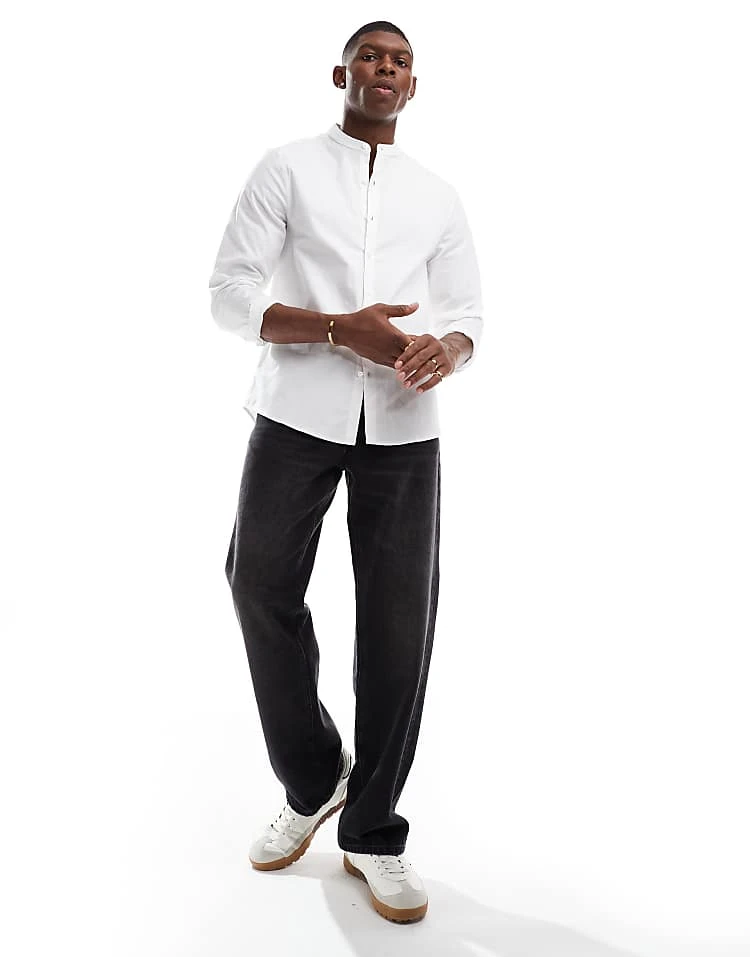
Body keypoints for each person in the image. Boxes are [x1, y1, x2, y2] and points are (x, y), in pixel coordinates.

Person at [208, 19, 483, 924]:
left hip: (404, 427)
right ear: (342, 74)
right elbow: (229, 293)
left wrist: (449, 347)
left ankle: (372, 832)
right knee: (257, 583)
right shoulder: (285, 169)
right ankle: (315, 773)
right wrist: (336, 329)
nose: (385, 68)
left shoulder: (437, 196)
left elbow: (468, 312)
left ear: (414, 86)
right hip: (295, 414)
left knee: (399, 625)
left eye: (400, 61)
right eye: (371, 55)